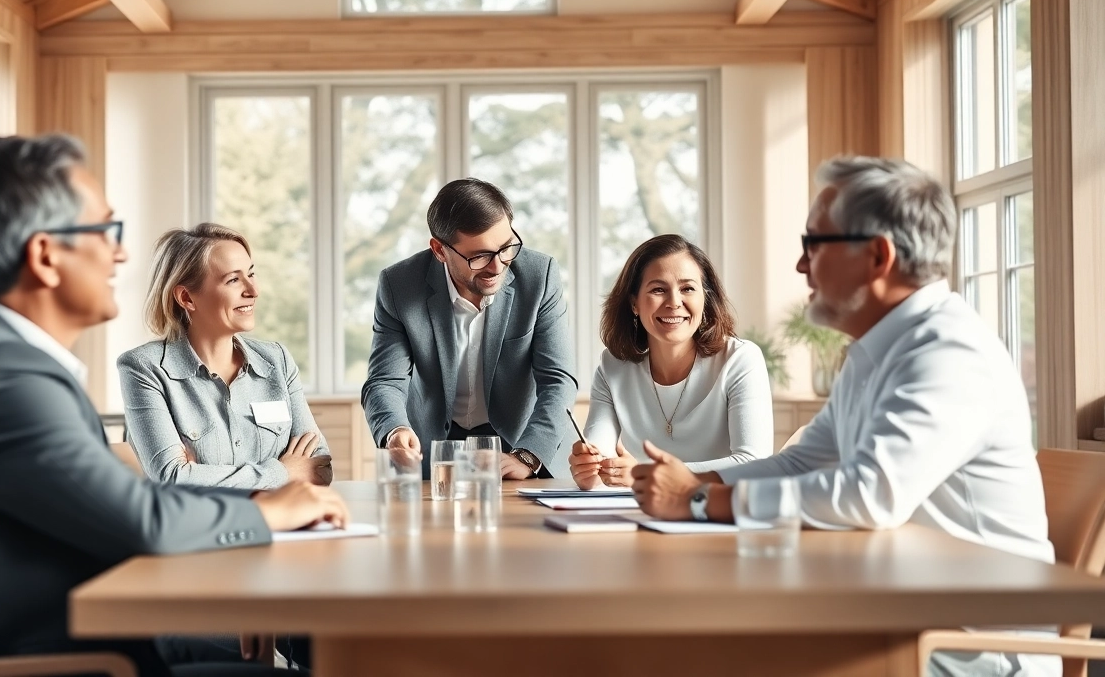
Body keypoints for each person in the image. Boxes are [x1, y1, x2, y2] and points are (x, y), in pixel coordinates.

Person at [0, 135, 348, 677]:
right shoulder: (1, 378)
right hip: (56, 665)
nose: (121, 253)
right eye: (105, 231)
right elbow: (144, 516)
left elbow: (123, 508)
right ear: (45, 255)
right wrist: (268, 508)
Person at [630, 156, 1056, 677]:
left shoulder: (948, 352)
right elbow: (803, 461)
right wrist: (692, 479)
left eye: (814, 244)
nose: (801, 265)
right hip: (895, 614)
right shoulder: (876, 349)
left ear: (877, 256)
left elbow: (869, 493)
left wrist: (697, 501)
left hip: (972, 647)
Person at [362, 178, 577, 479]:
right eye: (479, 256)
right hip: (436, 454)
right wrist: (395, 431)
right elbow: (385, 380)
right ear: (439, 250)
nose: (498, 266)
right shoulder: (399, 286)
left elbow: (558, 380)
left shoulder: (539, 276)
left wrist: (528, 456)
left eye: (506, 248)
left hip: (521, 446)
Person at [118, 223, 331, 490]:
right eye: (233, 280)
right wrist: (283, 472)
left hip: (289, 527)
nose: (253, 291)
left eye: (252, 274)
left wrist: (204, 475)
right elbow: (173, 479)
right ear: (187, 298)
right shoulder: (143, 368)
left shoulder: (278, 360)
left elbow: (319, 466)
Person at [569, 235, 772, 490]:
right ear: (634, 302)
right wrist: (590, 471)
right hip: (644, 519)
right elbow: (601, 458)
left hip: (720, 518)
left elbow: (754, 463)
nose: (674, 302)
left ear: (705, 298)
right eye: (658, 289)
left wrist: (651, 474)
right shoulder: (613, 367)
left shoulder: (740, 360)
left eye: (687, 288)